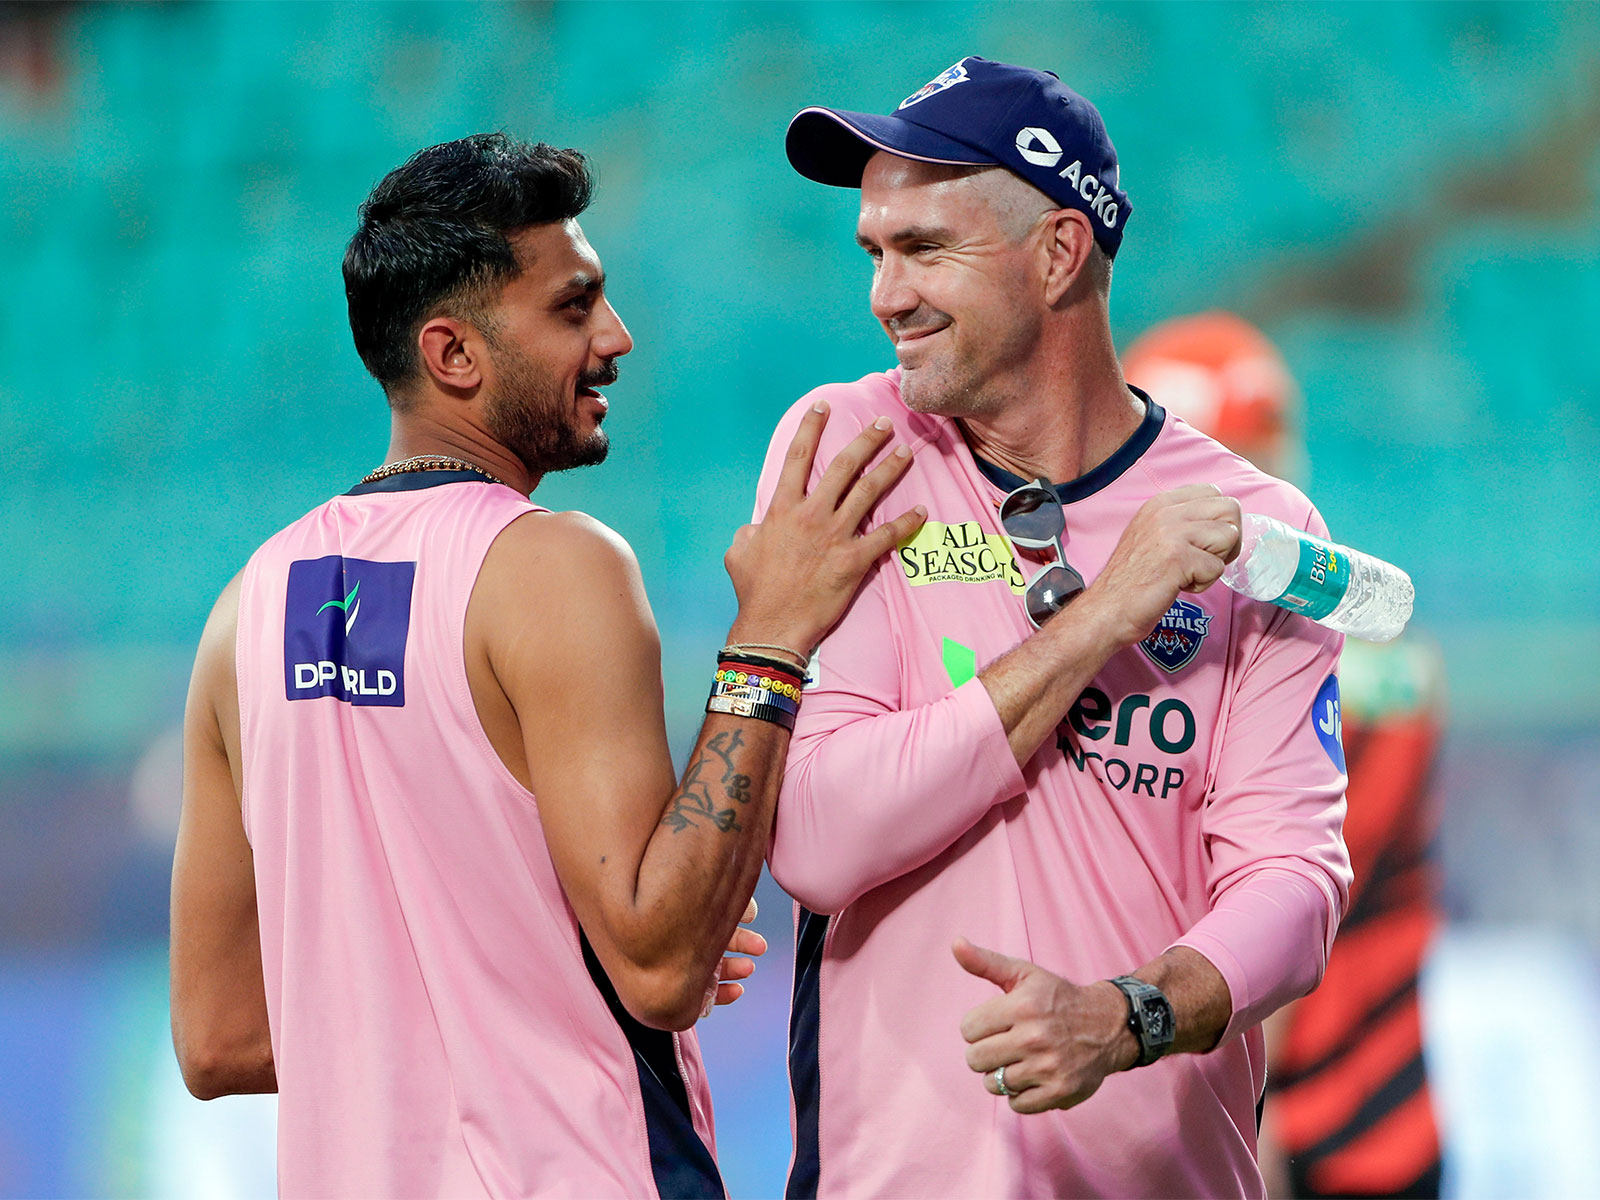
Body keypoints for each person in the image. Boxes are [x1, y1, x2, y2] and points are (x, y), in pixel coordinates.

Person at [167, 133, 925, 1198]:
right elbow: (660, 967)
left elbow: (218, 1037)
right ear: (453, 355)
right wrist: (773, 639)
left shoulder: (245, 607)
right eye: (573, 307)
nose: (615, 338)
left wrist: (507, 987)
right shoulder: (553, 568)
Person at [757, 57, 1352, 1198]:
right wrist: (1097, 622)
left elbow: (1293, 882)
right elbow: (820, 841)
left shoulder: (1258, 528)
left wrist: (1124, 1017)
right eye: (874, 252)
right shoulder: (848, 448)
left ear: (1057, 254)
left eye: (925, 248)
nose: (885, 293)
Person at [1125, 312, 1447, 1199]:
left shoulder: (1341, 670)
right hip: (1373, 1116)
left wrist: (1251, 1127)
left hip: (1307, 1132)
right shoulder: (1378, 658)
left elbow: (1295, 898)